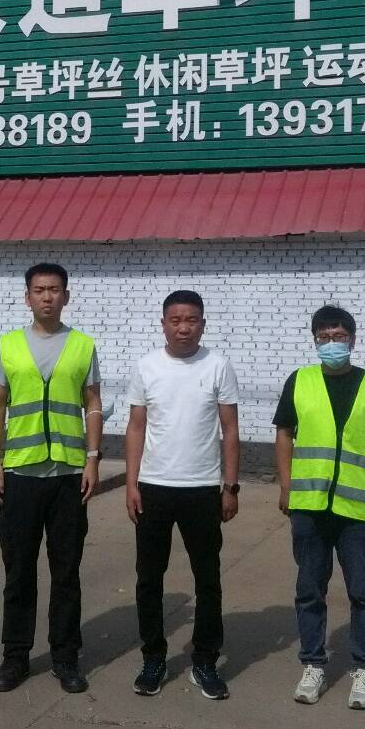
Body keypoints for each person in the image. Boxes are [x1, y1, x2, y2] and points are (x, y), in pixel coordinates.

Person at [274, 304, 365, 711]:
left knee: (364, 593)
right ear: (315, 340)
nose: (332, 343)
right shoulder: (300, 381)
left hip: (357, 508)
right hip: (309, 505)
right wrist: (286, 486)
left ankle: (363, 669)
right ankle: (313, 664)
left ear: (352, 339)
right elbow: (284, 433)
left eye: (339, 336)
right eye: (324, 337)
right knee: (309, 590)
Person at [0, 262, 103, 694]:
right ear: (28, 297)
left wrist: (93, 460)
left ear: (66, 296)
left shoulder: (83, 346)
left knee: (66, 571)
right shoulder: (9, 346)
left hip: (68, 476)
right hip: (21, 474)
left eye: (54, 289)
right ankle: (15, 657)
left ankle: (65, 657)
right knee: (18, 570)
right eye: (39, 290)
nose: (47, 297)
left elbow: (93, 404)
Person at [124, 289, 241, 700]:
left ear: (202, 324)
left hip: (202, 490)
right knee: (148, 579)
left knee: (207, 579)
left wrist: (230, 486)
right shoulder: (147, 367)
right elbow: (136, 427)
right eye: (175, 320)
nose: (183, 328)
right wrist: (131, 483)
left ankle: (205, 660)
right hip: (154, 488)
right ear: (163, 324)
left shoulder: (218, 366)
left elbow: (230, 430)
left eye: (191, 320)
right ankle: (153, 658)